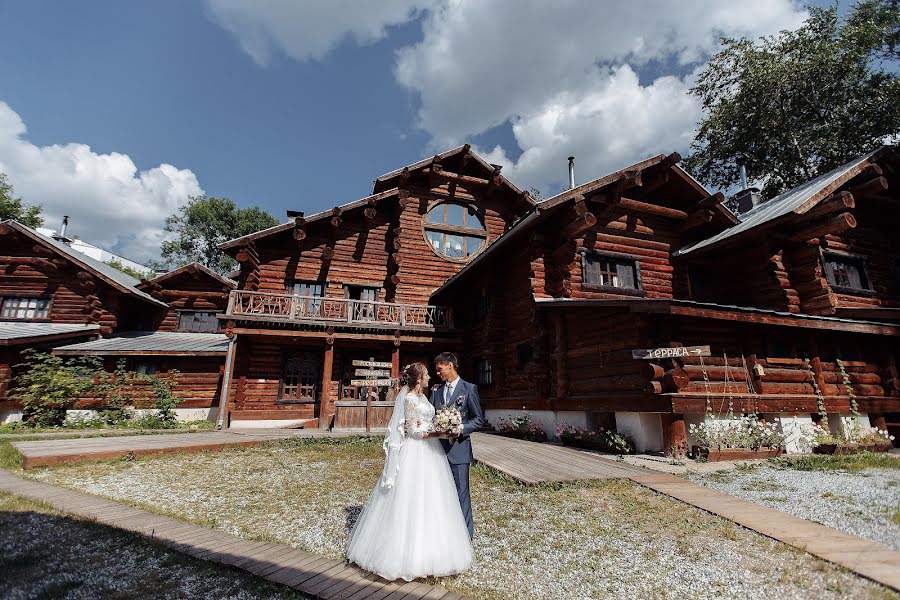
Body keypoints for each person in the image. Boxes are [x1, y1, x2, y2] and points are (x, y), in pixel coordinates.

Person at [346, 362, 474, 581]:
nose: (429, 378)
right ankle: (405, 556)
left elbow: (425, 421)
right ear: (417, 379)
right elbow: (413, 431)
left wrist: (441, 426)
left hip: (432, 454)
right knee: (411, 498)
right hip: (416, 452)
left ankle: (435, 549)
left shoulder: (424, 397)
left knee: (434, 499)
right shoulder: (409, 399)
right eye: (425, 375)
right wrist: (440, 434)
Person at [430, 352, 484, 539]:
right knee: (441, 493)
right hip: (438, 452)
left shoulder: (469, 388)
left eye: (440, 369)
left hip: (459, 451)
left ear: (451, 365)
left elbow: (478, 420)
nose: (438, 373)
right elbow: (431, 418)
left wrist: (461, 428)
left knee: (462, 494)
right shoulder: (436, 391)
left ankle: (465, 537)